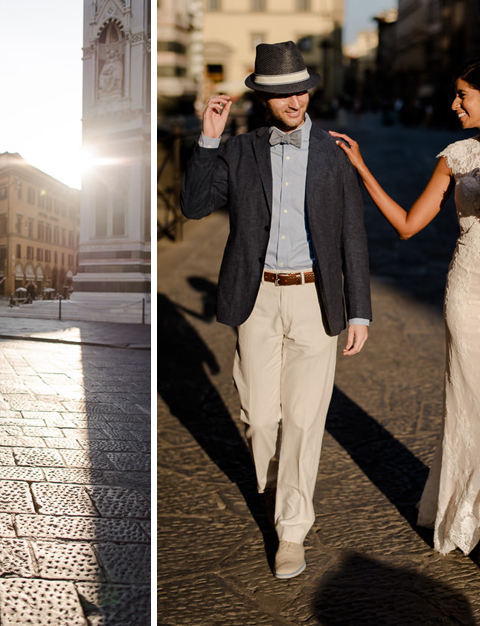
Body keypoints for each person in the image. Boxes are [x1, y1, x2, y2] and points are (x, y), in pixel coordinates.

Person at [330, 55, 480, 601]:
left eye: (463, 95)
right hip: (469, 293)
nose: (454, 104)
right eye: (456, 95)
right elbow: (410, 225)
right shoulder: (454, 157)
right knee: (474, 409)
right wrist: (364, 169)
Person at [181, 41, 372, 580]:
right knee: (262, 418)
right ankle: (269, 464)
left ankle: (292, 532)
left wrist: (358, 311)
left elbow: (353, 236)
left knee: (306, 423)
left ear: (309, 90)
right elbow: (194, 206)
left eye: (300, 89)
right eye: (282, 92)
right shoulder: (240, 151)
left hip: (316, 300)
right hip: (256, 296)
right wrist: (210, 139)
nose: (294, 100)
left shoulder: (336, 153)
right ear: (265, 97)